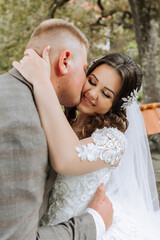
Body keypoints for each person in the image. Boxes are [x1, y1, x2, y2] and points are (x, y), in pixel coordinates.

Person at [13, 46, 160, 239]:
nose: (92, 93)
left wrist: (42, 82)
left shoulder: (114, 141)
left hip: (86, 231)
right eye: (91, 81)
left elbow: (66, 161)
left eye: (106, 94)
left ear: (115, 105)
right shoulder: (64, 122)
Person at [0, 19, 113, 240]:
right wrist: (94, 222)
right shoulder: (24, 122)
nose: (86, 87)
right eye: (84, 71)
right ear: (64, 61)